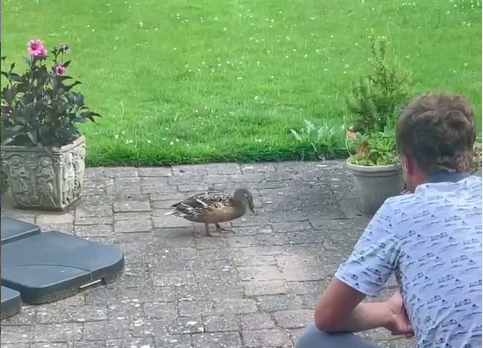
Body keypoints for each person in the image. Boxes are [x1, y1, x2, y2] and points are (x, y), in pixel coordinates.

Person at [296, 93, 482, 348]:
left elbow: (328, 316)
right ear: (470, 153)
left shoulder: (400, 212)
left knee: (314, 340)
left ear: (406, 163)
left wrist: (387, 312)